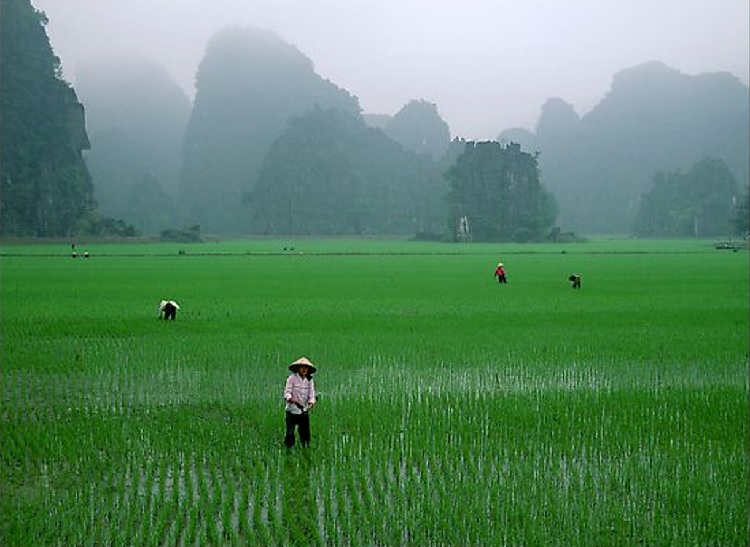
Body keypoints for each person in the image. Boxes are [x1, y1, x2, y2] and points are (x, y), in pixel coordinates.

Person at [283, 357, 317, 448]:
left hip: (303, 411)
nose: (304, 370)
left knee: (305, 435)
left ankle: (305, 450)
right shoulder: (291, 379)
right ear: (298, 368)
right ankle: (288, 450)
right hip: (292, 411)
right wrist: (294, 401)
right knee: (290, 433)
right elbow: (287, 394)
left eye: (306, 368)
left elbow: (312, 395)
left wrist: (310, 404)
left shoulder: (309, 380)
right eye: (302, 367)